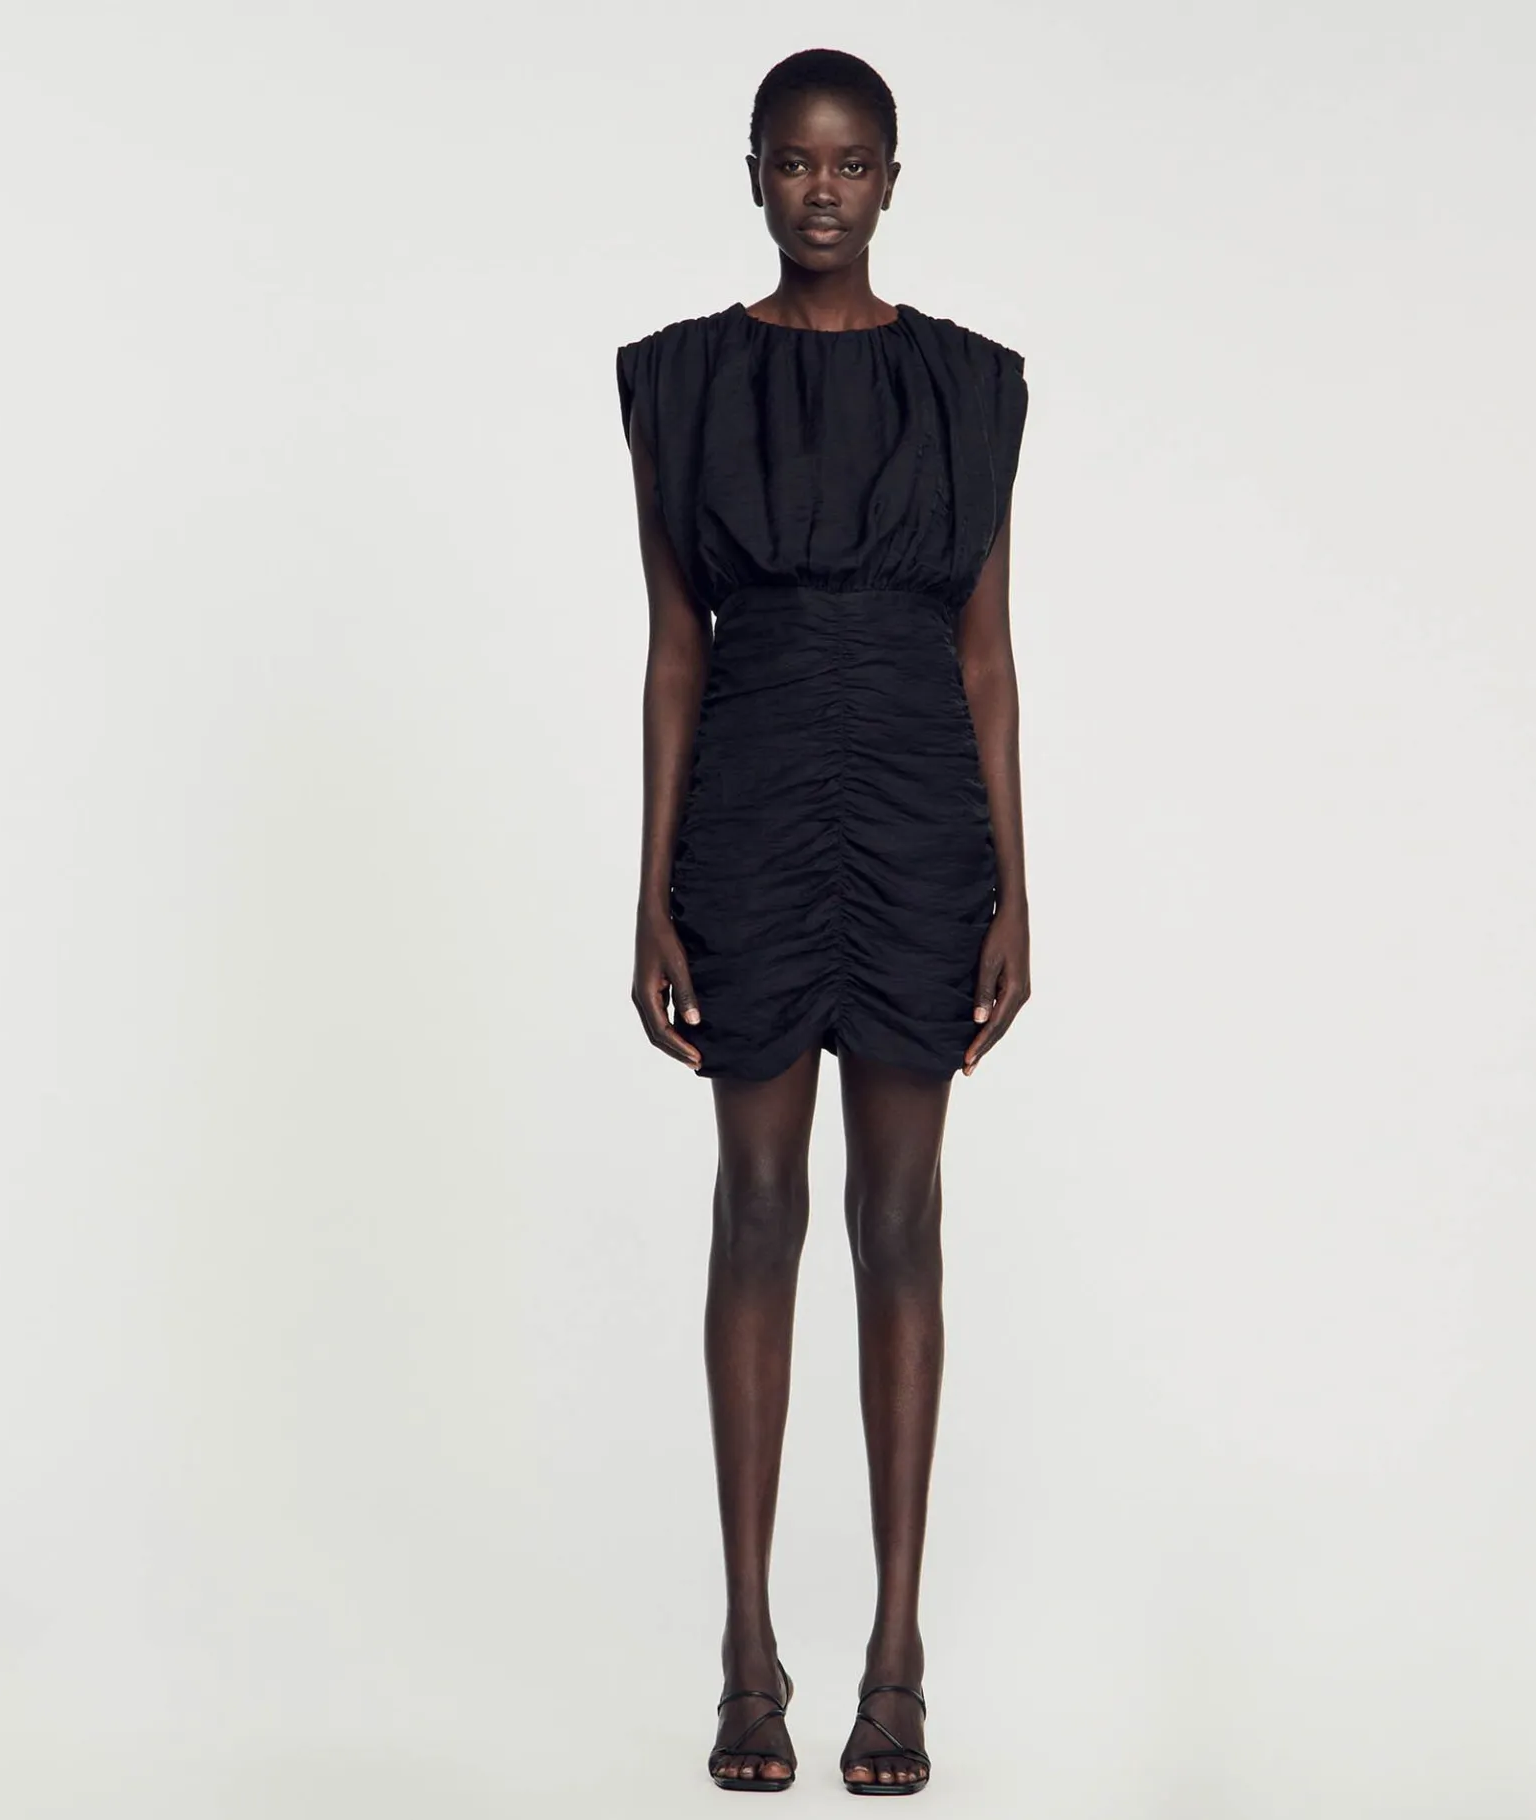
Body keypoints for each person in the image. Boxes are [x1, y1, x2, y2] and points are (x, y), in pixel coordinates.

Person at [616, 47, 1031, 1796]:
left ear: (894, 179)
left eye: (852, 165)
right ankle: (746, 1648)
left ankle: (896, 1654)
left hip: (923, 813)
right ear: (753, 174)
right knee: (758, 1206)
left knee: (902, 1218)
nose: (822, 194)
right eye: (794, 163)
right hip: (755, 804)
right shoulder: (681, 380)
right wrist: (650, 888)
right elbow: (675, 651)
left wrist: (1018, 886)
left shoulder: (972, 387)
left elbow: (987, 655)